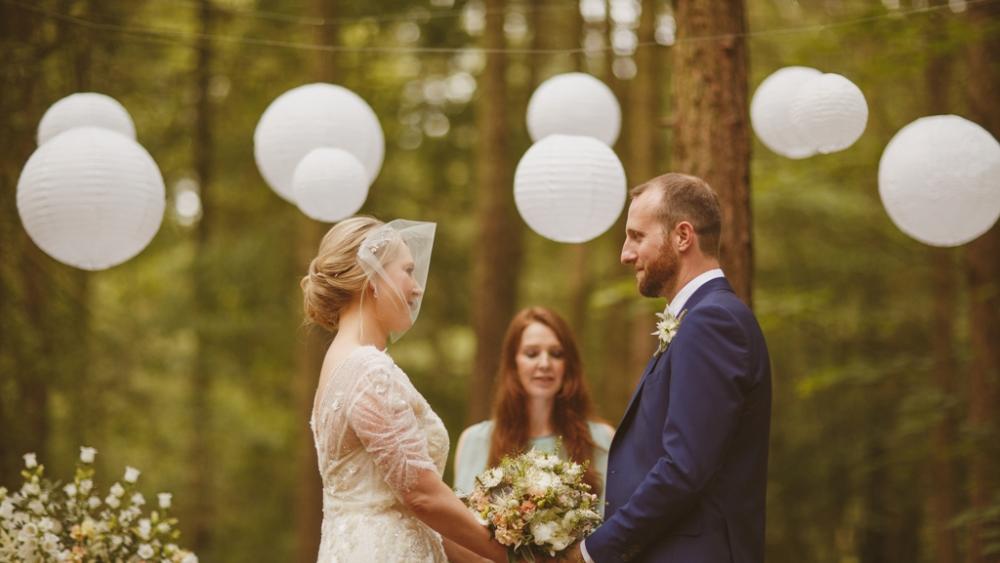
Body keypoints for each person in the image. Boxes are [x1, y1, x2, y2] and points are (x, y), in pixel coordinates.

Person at [563, 173, 772, 563]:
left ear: (682, 236)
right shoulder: (701, 318)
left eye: (637, 237)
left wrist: (593, 551)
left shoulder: (712, 322)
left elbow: (684, 467)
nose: (625, 254)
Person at [303, 216, 505, 563]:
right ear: (373, 278)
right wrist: (517, 555)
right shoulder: (368, 369)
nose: (417, 287)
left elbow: (419, 512)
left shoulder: (340, 364)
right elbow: (422, 495)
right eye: (407, 271)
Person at [454, 306, 614, 511]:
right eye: (532, 354)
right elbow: (459, 530)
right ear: (514, 363)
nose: (545, 363)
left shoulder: (601, 440)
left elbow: (613, 526)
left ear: (568, 364)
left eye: (556, 354)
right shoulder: (475, 440)